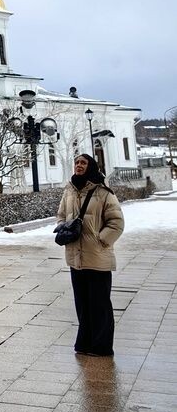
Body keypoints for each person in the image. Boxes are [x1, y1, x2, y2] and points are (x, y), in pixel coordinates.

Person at [56, 153, 125, 358]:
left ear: (91, 166)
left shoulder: (103, 192)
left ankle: (101, 347)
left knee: (99, 304)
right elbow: (61, 215)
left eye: (83, 163)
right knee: (82, 303)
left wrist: (100, 240)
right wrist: (64, 228)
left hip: (97, 257)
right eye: (77, 162)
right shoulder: (69, 191)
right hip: (75, 257)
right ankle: (85, 343)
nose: (79, 165)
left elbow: (117, 222)